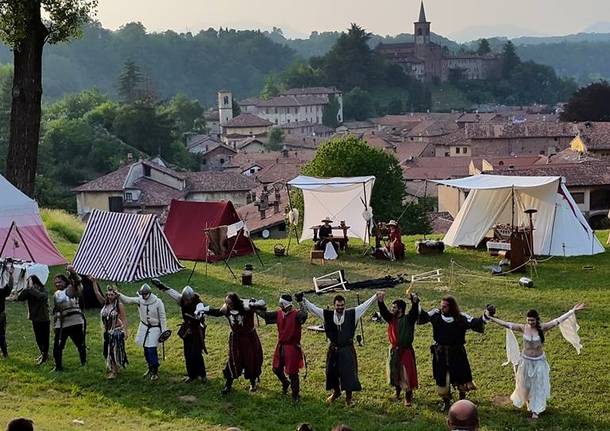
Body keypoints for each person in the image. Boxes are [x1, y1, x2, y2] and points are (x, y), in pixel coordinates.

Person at [485, 303, 585, 419]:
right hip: (526, 361)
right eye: (528, 320)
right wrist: (491, 318)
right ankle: (528, 401)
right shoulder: (523, 327)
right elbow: (507, 324)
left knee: (537, 385)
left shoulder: (543, 328)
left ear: (536, 320)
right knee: (525, 383)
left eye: (532, 320)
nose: (530, 323)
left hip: (538, 362)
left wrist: (572, 311)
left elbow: (557, 320)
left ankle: (535, 410)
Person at [299, 292, 377, 405]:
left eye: (342, 305)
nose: (340, 308)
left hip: (347, 349)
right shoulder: (327, 314)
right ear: (334, 305)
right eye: (338, 306)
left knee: (349, 373)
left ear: (344, 305)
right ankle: (336, 392)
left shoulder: (352, 314)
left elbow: (365, 305)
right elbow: (314, 309)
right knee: (331, 372)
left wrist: (375, 296)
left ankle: (349, 399)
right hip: (334, 350)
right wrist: (303, 300)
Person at [418, 295, 487, 411]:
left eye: (444, 307)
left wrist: (486, 315)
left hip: (457, 353)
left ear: (451, 307)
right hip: (440, 353)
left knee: (461, 377)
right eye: (441, 306)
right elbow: (424, 317)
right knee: (441, 378)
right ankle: (446, 401)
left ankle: (462, 402)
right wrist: (416, 303)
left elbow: (475, 322)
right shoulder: (436, 315)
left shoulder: (461, 318)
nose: (442, 308)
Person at [151, 278, 209, 383]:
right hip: (187, 331)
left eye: (188, 300)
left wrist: (197, 316)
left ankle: (202, 375)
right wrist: (161, 285)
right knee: (188, 353)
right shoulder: (182, 300)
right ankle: (192, 375)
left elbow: (201, 315)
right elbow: (171, 292)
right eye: (185, 300)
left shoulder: (198, 303)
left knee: (196, 353)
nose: (186, 302)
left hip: (196, 331)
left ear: (192, 298)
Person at [207, 292, 265, 394]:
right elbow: (217, 312)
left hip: (249, 339)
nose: (228, 305)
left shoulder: (247, 308)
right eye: (227, 303)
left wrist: (254, 304)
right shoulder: (227, 310)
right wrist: (205, 310)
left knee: (250, 360)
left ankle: (253, 383)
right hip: (236, 339)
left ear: (235, 302)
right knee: (233, 360)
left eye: (230, 303)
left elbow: (262, 305)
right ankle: (228, 385)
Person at [256, 293, 307, 402]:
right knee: (276, 368)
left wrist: (301, 302)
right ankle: (285, 383)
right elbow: (266, 315)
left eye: (281, 304)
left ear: (286, 304)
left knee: (293, 373)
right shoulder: (279, 313)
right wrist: (255, 308)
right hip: (281, 346)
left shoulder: (296, 314)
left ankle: (295, 395)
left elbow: (304, 316)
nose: (280, 305)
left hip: (292, 348)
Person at [377, 290, 420, 406]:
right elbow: (384, 312)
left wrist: (414, 302)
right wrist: (380, 302)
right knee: (395, 372)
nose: (392, 309)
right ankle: (397, 393)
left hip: (405, 351)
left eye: (394, 308)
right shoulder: (392, 319)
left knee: (406, 374)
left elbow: (414, 312)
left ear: (400, 309)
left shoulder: (409, 319)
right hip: (394, 350)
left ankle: (408, 397)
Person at [118, 283, 167, 381]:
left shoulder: (158, 302)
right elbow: (128, 300)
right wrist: (119, 294)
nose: (144, 296)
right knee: (145, 350)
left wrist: (164, 330)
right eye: (142, 294)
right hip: (144, 327)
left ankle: (155, 370)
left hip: (154, 328)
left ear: (149, 293)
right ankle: (150, 366)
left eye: (145, 294)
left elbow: (162, 317)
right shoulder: (140, 300)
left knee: (151, 350)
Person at [91, 277, 128, 379]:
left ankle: (114, 371)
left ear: (116, 296)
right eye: (108, 294)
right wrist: (94, 282)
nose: (109, 296)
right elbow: (97, 293)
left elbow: (124, 319)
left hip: (116, 331)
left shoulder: (119, 305)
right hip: (106, 332)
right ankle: (114, 367)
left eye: (112, 294)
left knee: (113, 351)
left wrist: (125, 331)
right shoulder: (105, 304)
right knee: (107, 351)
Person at [51, 265, 86, 371]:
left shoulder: (71, 289)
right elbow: (56, 310)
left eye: (60, 282)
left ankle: (84, 363)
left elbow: (78, 282)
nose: (57, 284)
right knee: (57, 346)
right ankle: (58, 367)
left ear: (65, 282)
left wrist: (73, 273)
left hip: (74, 322)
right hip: (61, 323)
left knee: (80, 344)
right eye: (56, 282)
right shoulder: (56, 294)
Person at [17, 274, 50, 365]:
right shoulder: (29, 291)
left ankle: (45, 355)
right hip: (35, 318)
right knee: (38, 338)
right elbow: (20, 298)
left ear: (36, 283)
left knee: (44, 338)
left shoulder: (43, 290)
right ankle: (43, 354)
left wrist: (31, 288)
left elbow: (40, 296)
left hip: (44, 318)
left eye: (30, 282)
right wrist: (26, 288)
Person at [0, 263, 13, 358]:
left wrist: (10, 274)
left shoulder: (1, 290)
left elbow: (9, 288)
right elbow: (9, 287)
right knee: (1, 335)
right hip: (1, 315)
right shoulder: (2, 290)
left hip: (0, 315)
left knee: (1, 335)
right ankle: (5, 353)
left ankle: (5, 353)